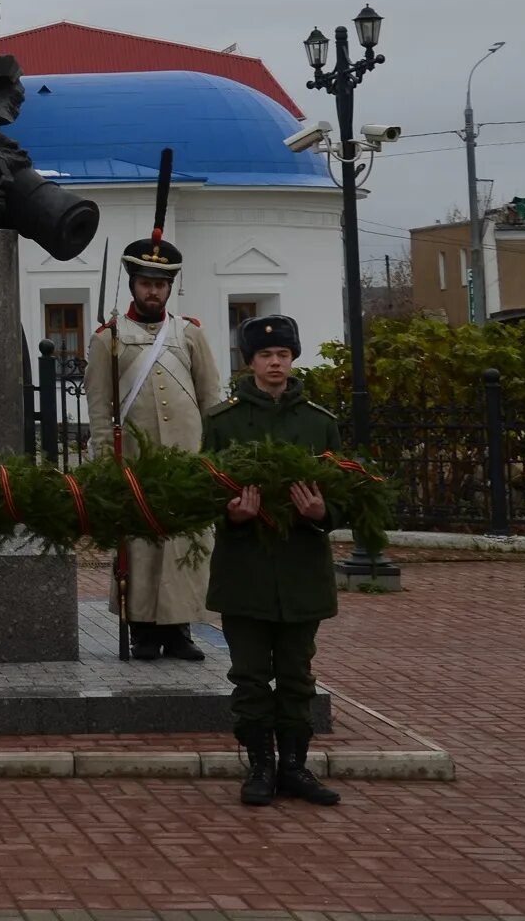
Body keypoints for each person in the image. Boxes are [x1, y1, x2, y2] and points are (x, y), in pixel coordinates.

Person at [203, 314, 344, 809]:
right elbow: (204, 493)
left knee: (297, 675)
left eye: (283, 354)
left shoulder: (320, 424)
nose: (275, 363)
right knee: (248, 675)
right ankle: (260, 766)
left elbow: (346, 492)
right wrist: (233, 513)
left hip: (302, 570)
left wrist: (322, 512)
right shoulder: (222, 423)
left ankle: (294, 767)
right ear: (250, 362)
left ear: (293, 358)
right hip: (246, 571)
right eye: (265, 356)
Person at [83, 233, 226, 661]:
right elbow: (99, 411)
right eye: (146, 282)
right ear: (133, 284)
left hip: (186, 460)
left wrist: (212, 457)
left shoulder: (188, 335)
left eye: (161, 284)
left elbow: (211, 400)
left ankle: (179, 630)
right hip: (136, 463)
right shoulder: (108, 339)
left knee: (184, 545)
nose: (153, 291)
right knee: (141, 547)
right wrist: (108, 466)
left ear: (170, 287)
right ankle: (142, 631)